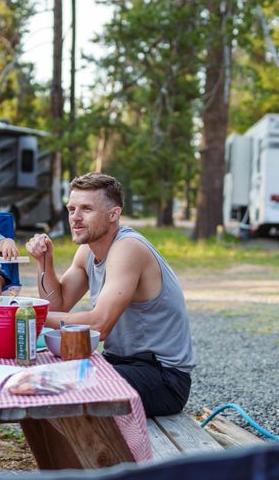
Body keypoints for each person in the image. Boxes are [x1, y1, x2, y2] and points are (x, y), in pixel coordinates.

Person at [25, 173, 194, 417]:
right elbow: (56, 306)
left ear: (113, 214)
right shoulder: (87, 251)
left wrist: (27, 313)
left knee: (58, 384)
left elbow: (99, 325)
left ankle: (109, 455)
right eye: (71, 209)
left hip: (163, 378)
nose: (75, 217)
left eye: (86, 209)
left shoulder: (128, 249)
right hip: (119, 363)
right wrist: (44, 262)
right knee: (41, 373)